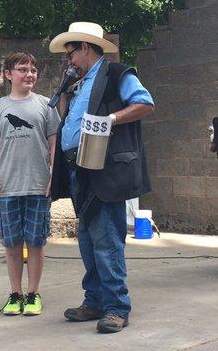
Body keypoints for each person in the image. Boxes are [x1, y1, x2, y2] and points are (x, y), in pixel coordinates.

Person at [49, 22, 155, 334]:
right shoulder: (78, 84)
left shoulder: (117, 74)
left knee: (107, 241)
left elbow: (145, 103)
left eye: (71, 52)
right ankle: (94, 300)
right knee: (87, 241)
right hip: (79, 170)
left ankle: (116, 307)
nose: (68, 60)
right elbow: (68, 122)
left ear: (85, 47)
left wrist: (111, 118)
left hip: (106, 170)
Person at [0, 51, 60, 316]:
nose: (29, 74)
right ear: (8, 74)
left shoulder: (46, 106)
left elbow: (54, 144)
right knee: (11, 243)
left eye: (33, 70)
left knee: (36, 242)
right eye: (22, 69)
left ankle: (33, 294)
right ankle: (15, 295)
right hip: (8, 187)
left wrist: (54, 176)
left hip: (38, 185)